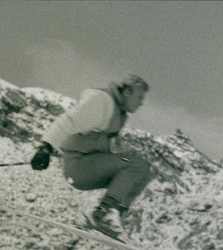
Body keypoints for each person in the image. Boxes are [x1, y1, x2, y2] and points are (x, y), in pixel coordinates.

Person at [30, 74, 154, 241]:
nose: (141, 103)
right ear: (127, 92)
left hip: (88, 164)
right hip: (79, 165)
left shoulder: (119, 113)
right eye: (139, 97)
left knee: (145, 171)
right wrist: (46, 147)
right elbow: (68, 121)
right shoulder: (103, 102)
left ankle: (111, 216)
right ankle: (103, 214)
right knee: (137, 166)